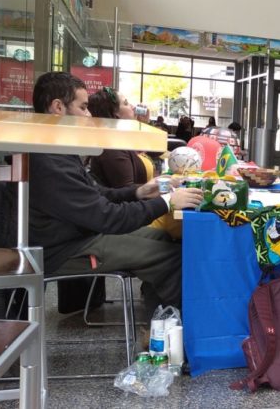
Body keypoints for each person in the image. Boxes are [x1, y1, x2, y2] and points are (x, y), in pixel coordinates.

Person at [28, 72, 203, 315]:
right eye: (83, 107)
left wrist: (139, 192)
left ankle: (161, 316)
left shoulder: (56, 152)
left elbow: (96, 194)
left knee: (165, 238)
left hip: (80, 235)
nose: (89, 115)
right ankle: (176, 327)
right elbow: (109, 217)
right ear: (58, 107)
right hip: (65, 250)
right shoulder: (49, 161)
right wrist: (166, 202)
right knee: (173, 257)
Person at [87, 87, 150, 188]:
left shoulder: (119, 140)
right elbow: (126, 191)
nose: (133, 107)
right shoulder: (113, 148)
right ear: (115, 114)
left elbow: (153, 151)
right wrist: (160, 185)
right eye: (126, 103)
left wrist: (142, 124)